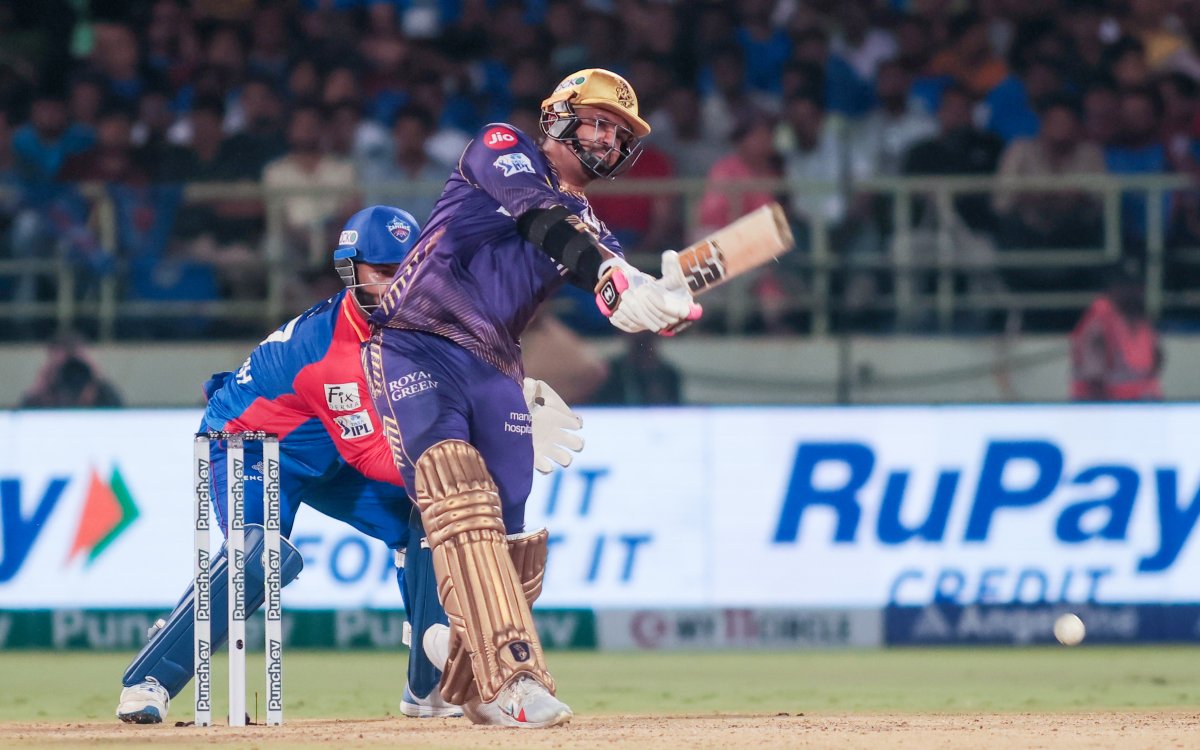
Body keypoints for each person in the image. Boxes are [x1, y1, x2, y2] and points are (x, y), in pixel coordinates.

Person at [114, 206, 584, 724]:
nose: (401, 284)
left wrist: (506, 415)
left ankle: (428, 688)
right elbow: (377, 458)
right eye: (383, 272)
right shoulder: (333, 354)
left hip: (330, 446)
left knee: (432, 514)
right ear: (349, 271)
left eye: (410, 269)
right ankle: (149, 679)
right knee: (260, 555)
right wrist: (483, 451)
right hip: (248, 444)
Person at [366, 68, 701, 729]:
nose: (606, 140)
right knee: (454, 486)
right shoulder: (501, 147)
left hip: (496, 367)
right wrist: (610, 271)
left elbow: (607, 283)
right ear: (558, 118)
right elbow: (542, 221)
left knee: (515, 533)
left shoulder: (591, 226)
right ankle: (517, 678)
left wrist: (652, 301)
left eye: (618, 133)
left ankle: (465, 672)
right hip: (418, 342)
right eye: (597, 122)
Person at [1070, 263, 1164, 402]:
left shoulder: (1142, 318)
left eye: (1136, 286)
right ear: (1112, 287)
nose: (1131, 292)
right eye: (1125, 286)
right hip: (1105, 406)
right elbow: (1094, 380)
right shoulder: (1100, 319)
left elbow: (1155, 363)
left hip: (1142, 404)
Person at [20, 336, 124, 408]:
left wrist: (99, 383)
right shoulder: (44, 394)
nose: (72, 374)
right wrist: (37, 392)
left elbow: (120, 415)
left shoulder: (100, 391)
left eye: (76, 366)